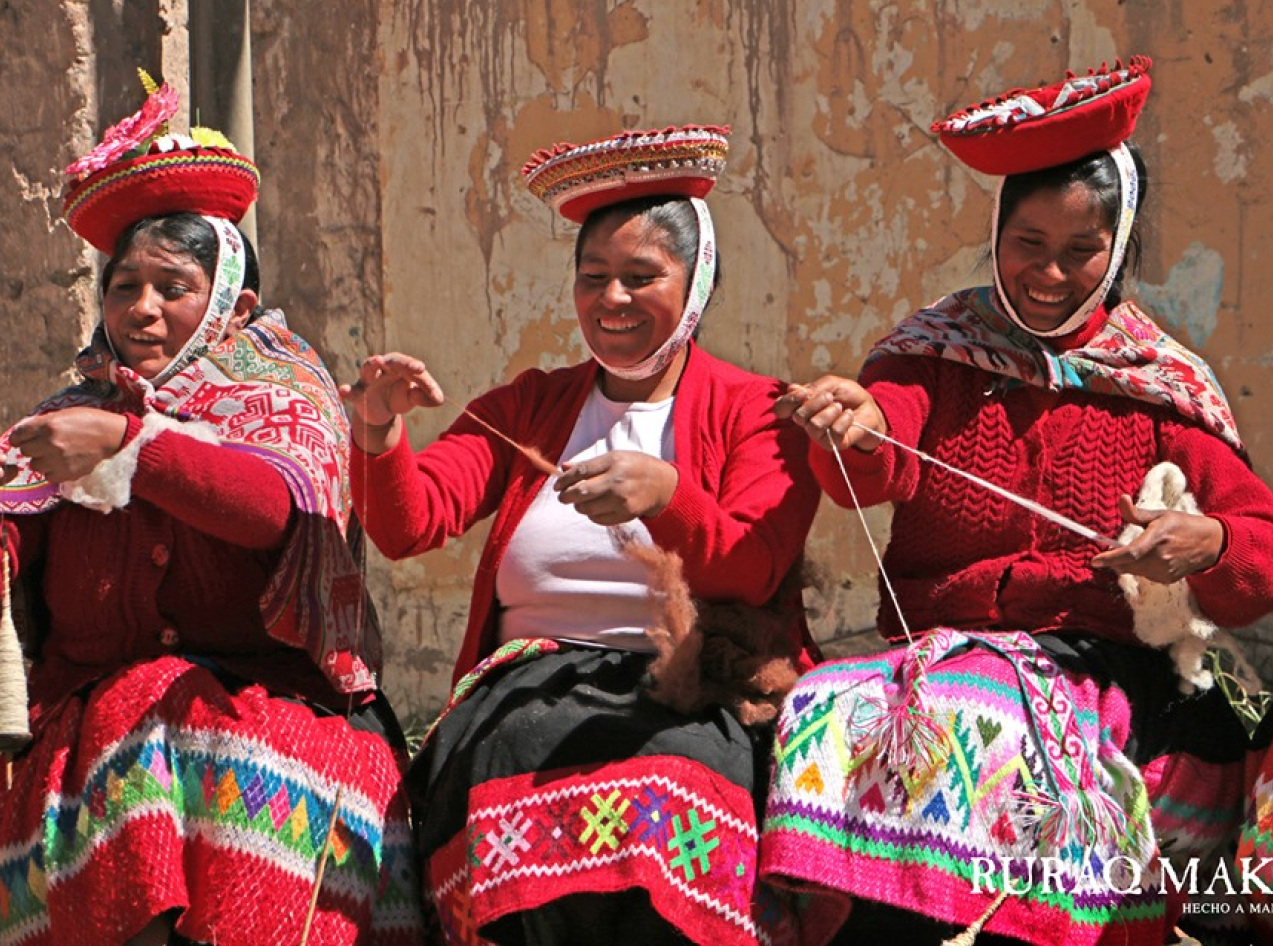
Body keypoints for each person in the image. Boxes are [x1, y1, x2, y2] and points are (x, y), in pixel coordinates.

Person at [760, 56, 1273, 945]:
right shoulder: (931, 354)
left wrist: (1206, 542)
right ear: (996, 236)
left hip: (1093, 660)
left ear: (1115, 253)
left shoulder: (1162, 387)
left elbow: (1256, 548)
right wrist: (858, 423)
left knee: (978, 711)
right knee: (825, 703)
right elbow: (887, 451)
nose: (1047, 274)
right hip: (933, 644)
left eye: (1080, 253)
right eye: (1027, 246)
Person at [0, 76, 423, 945]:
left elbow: (276, 509)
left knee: (159, 705)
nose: (142, 309)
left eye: (172, 286)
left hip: (269, 719)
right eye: (124, 287)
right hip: (86, 750)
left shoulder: (284, 397)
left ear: (232, 305)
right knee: (133, 710)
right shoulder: (66, 415)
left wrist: (132, 450)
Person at [341, 125, 822, 944]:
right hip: (525, 689)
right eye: (593, 278)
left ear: (695, 283)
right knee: (515, 755)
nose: (613, 300)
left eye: (642, 277)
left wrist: (666, 495)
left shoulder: (759, 411)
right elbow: (409, 524)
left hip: (697, 694)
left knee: (677, 780)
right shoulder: (527, 405)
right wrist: (380, 433)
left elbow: (752, 566)